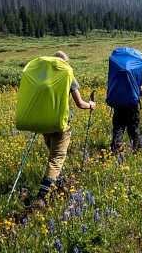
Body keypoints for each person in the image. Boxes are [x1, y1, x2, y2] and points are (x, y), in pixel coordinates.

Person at [35, 51, 95, 207]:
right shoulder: (68, 76)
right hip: (61, 124)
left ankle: (58, 184)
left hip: (44, 123)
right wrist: (91, 105)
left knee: (54, 157)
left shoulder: (43, 77)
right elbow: (80, 104)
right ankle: (43, 197)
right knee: (56, 159)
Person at [107, 47, 142, 154]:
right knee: (133, 127)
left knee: (118, 127)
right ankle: (137, 149)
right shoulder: (135, 70)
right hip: (132, 103)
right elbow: (141, 88)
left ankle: (116, 150)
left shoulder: (117, 70)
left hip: (118, 103)